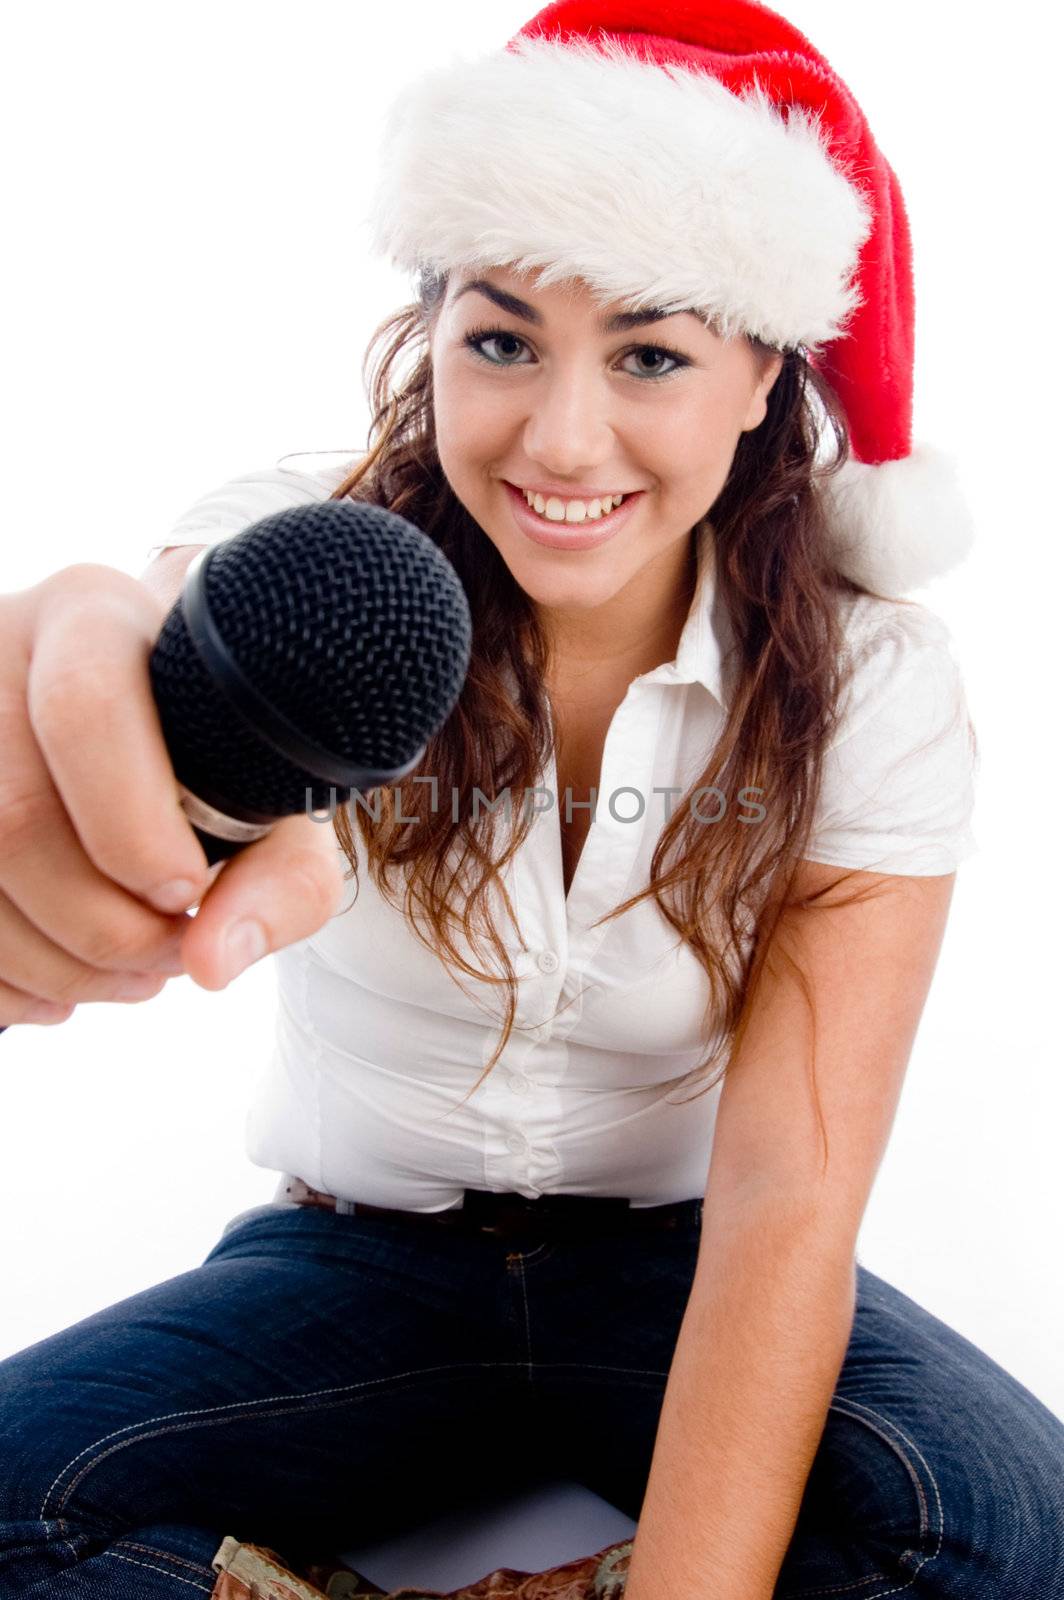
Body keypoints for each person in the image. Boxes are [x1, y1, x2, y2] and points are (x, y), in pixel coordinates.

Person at [1, 2, 1062, 1597]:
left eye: (650, 353)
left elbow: (789, 1198)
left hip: (679, 1264)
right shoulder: (321, 559)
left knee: (998, 1535)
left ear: (763, 373)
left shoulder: (871, 684)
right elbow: (155, 621)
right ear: (433, 331)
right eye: (503, 341)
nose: (564, 439)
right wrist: (85, 674)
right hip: (352, 1262)